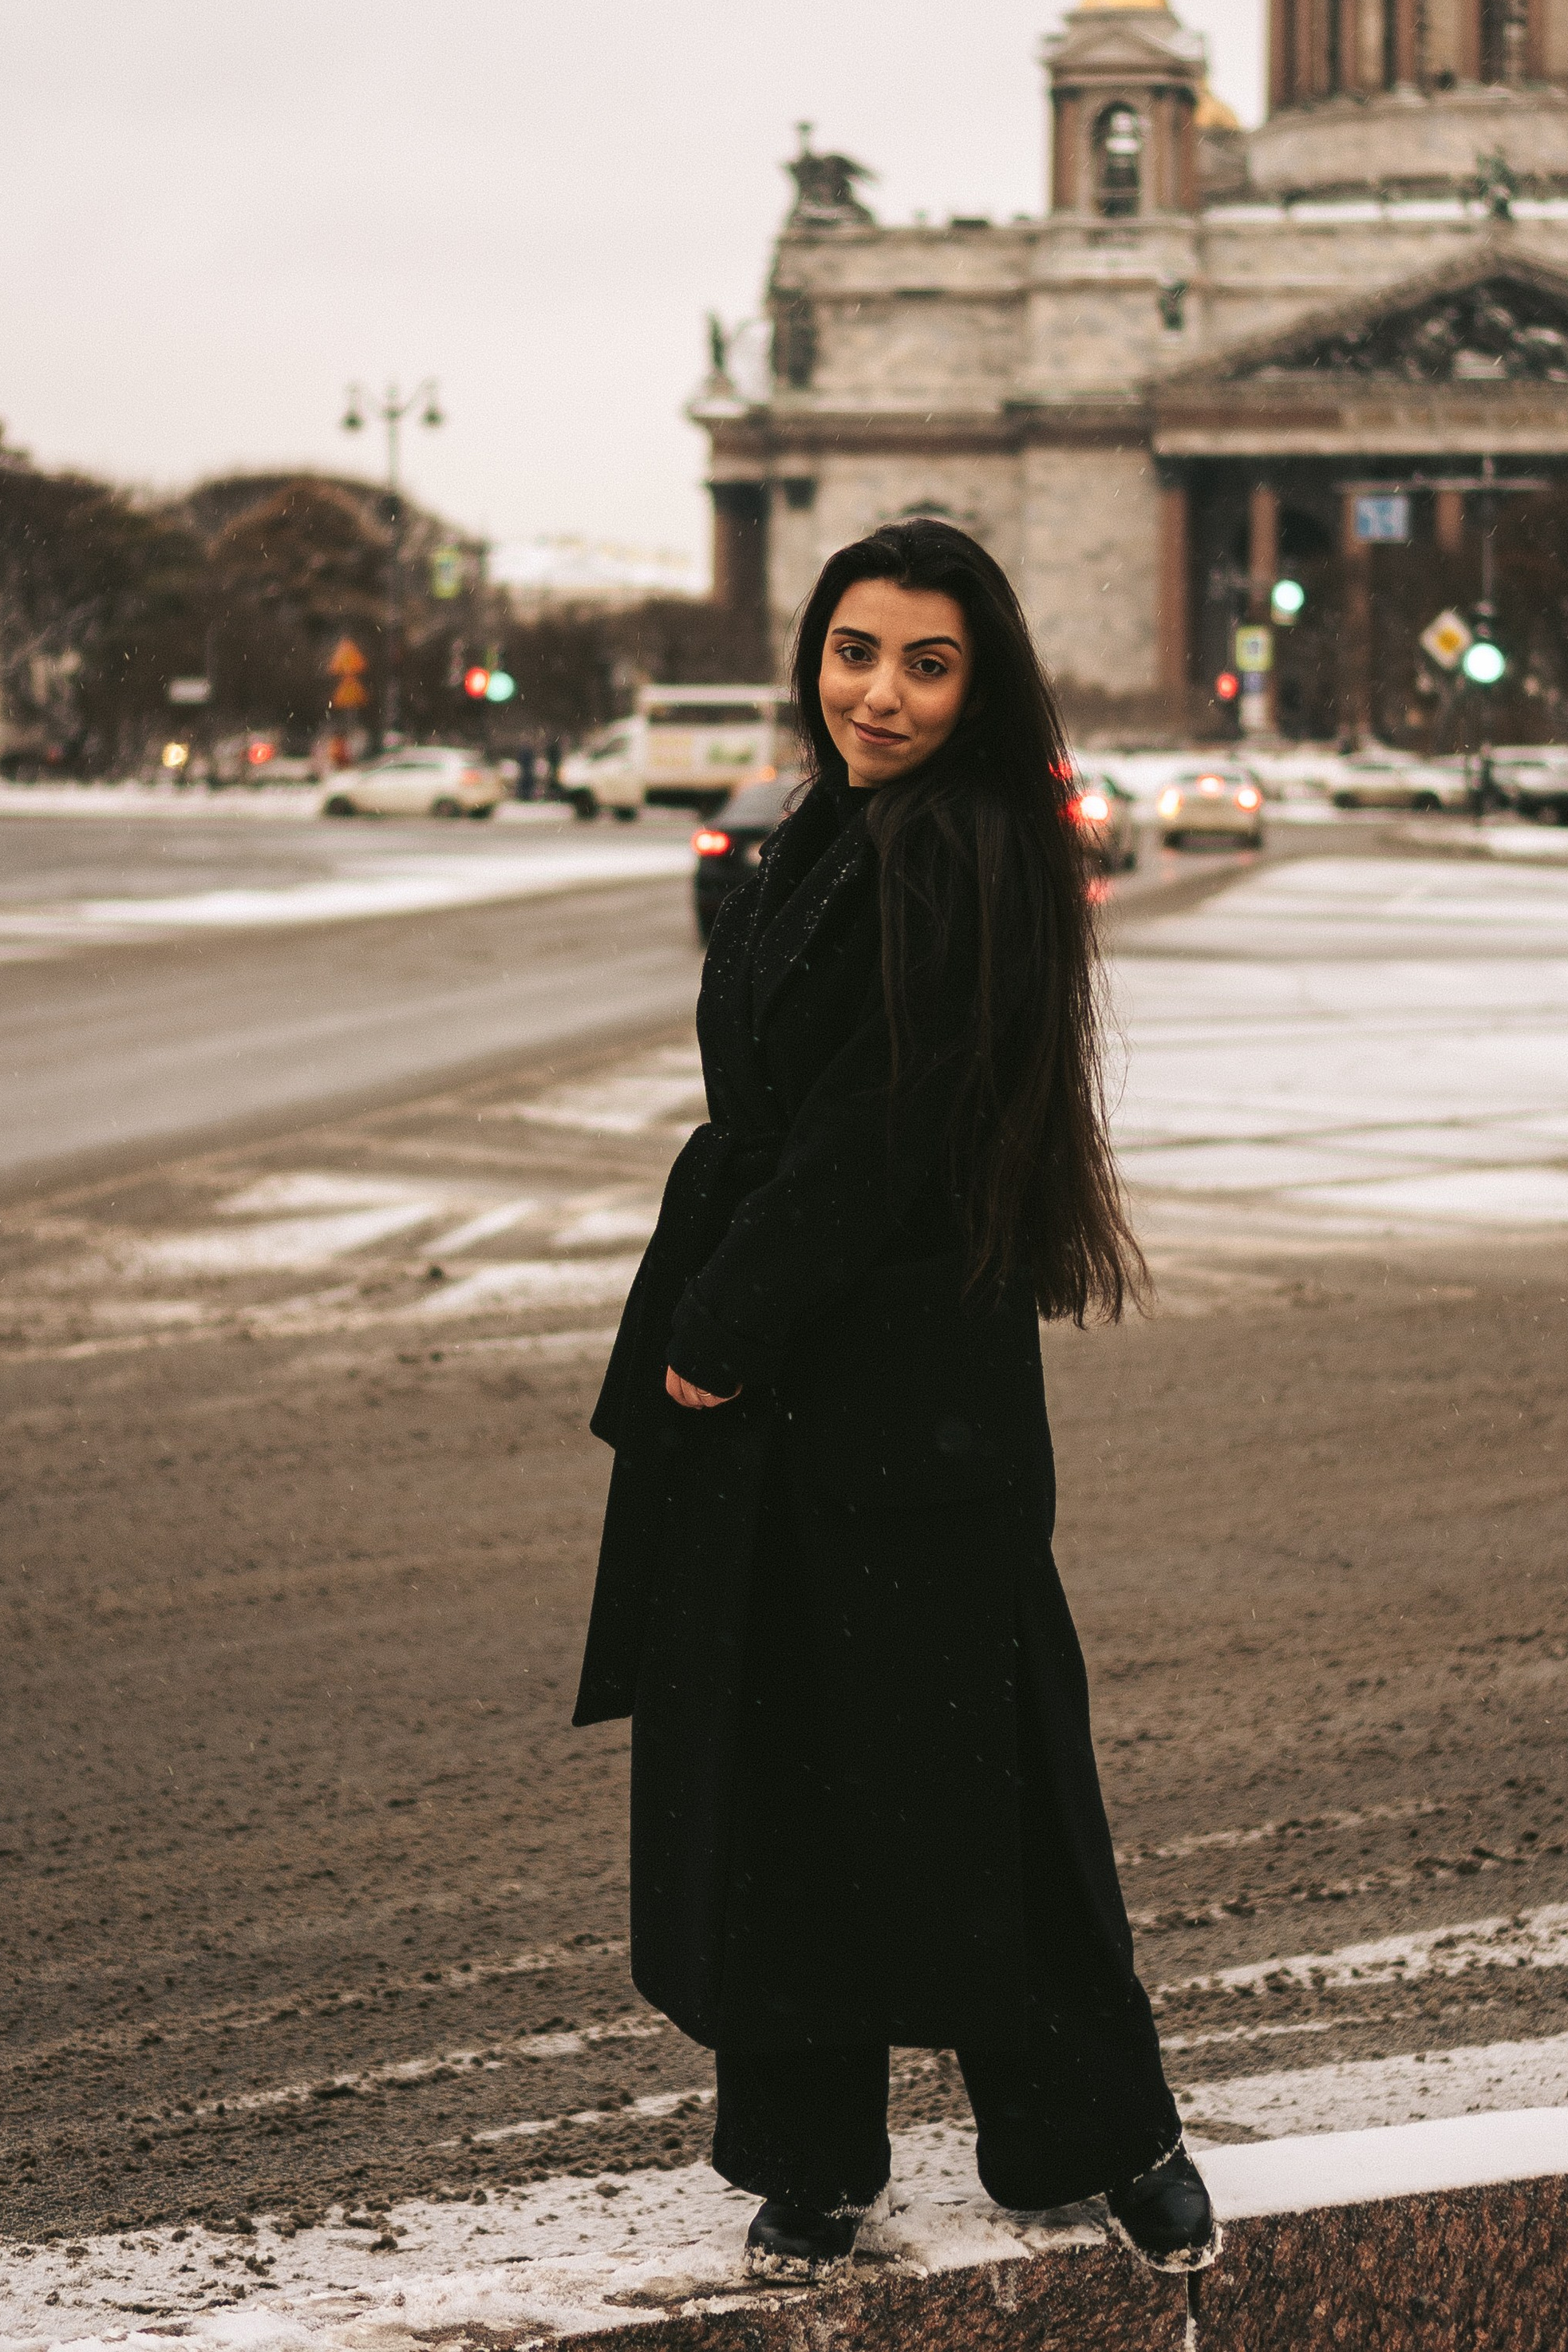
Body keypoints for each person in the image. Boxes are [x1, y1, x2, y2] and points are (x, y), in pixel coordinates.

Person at [573, 519, 1216, 2283]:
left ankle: (1110, 2133)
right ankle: (809, 2150)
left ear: (981, 681)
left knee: (987, 1779)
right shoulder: (825, 832)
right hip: (797, 1383)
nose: (880, 692)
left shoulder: (974, 851)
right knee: (778, 1768)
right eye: (855, 653)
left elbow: (874, 1134)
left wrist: (718, 1322)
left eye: (926, 664)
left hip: (898, 1387)